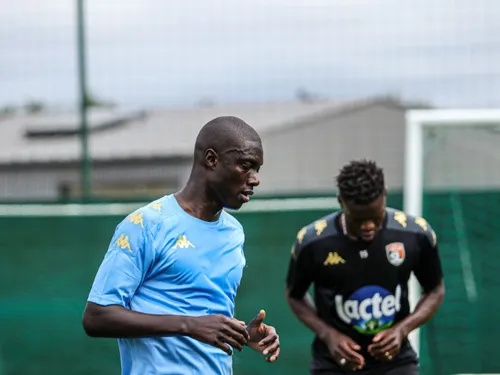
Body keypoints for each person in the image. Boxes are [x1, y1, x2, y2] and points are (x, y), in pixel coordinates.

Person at [82, 116, 280, 375]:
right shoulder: (147, 224)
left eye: (257, 170)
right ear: (211, 160)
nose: (255, 180)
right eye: (246, 166)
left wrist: (242, 334)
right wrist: (189, 325)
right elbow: (97, 317)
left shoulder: (234, 233)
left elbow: (205, 315)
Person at [285, 159, 445, 375]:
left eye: (375, 216)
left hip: (395, 362)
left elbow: (435, 289)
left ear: (385, 195)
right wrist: (329, 335)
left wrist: (401, 330)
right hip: (334, 363)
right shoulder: (312, 242)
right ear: (341, 202)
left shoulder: (416, 234)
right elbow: (295, 295)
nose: (368, 225)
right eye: (358, 219)